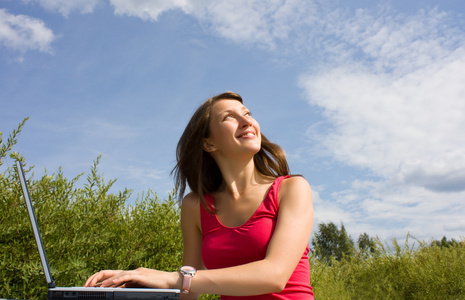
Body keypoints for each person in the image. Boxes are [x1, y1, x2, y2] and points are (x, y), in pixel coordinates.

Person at [85, 91, 314, 299]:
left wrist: (167, 278)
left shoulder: (291, 189)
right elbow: (189, 292)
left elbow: (274, 275)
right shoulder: (196, 205)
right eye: (229, 117)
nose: (247, 121)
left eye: (247, 114)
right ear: (208, 143)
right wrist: (132, 284)